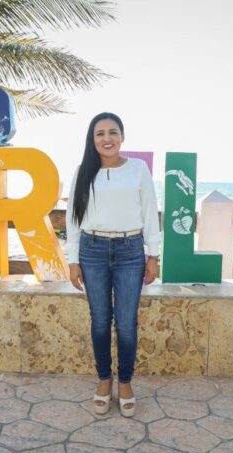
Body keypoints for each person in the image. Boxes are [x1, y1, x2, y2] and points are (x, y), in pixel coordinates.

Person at [65, 112, 161, 417]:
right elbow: (73, 218)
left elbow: (150, 212)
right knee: (100, 320)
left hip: (130, 251)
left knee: (127, 323)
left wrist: (154, 256)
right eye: (100, 133)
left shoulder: (138, 169)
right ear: (92, 139)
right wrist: (73, 260)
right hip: (92, 251)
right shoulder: (83, 171)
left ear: (122, 136)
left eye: (113, 132)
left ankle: (126, 382)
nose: (107, 139)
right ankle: (104, 379)